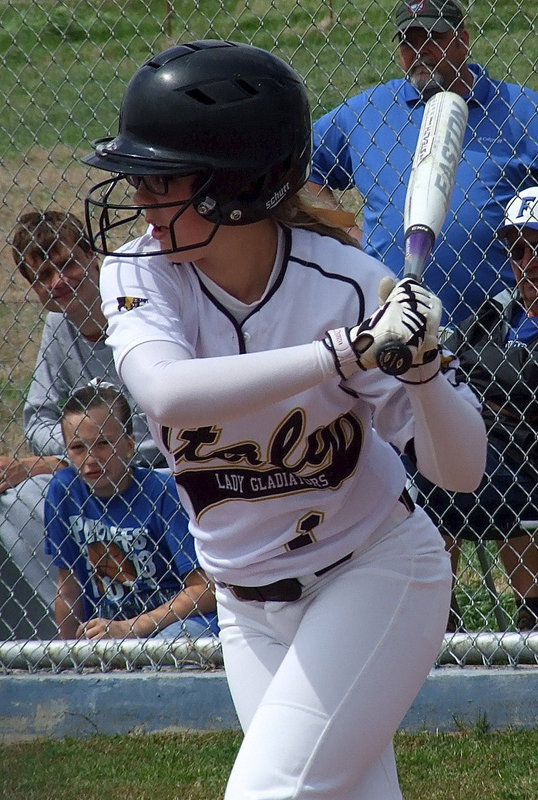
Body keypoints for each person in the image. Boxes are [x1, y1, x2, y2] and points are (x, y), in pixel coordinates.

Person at [82, 40, 486, 800]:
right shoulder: (139, 272)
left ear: (235, 186)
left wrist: (426, 374)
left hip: (374, 575)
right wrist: (345, 355)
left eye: (160, 179)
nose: (138, 201)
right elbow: (168, 393)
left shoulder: (351, 285)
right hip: (245, 607)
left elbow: (460, 472)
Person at [309, 0, 538, 325]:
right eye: (408, 42)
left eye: (432, 37)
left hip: (500, 330)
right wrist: (347, 236)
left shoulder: (521, 111)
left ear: (463, 40)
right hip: (392, 322)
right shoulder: (368, 113)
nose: (419, 51)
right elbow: (303, 168)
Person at [0, 211, 165, 635]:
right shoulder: (60, 325)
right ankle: (70, 630)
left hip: (158, 468)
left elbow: (154, 434)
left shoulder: (134, 305)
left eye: (67, 264)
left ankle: (159, 615)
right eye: (42, 277)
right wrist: (83, 449)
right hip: (93, 473)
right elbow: (37, 418)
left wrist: (76, 453)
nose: (57, 282)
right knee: (13, 498)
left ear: (92, 258)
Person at [415, 186, 538, 632]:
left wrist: (479, 377)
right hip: (490, 449)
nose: (527, 262)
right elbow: (448, 356)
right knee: (426, 459)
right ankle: (438, 621)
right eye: (518, 250)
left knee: (453, 467)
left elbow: (524, 379)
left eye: (537, 246)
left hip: (526, 460)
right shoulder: (501, 310)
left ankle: (532, 616)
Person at [44, 383, 218, 640]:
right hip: (107, 629)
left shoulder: (162, 492)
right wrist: (66, 655)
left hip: (178, 624)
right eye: (78, 448)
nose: (91, 458)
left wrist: (129, 628)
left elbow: (204, 590)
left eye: (103, 443)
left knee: (172, 642)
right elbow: (69, 588)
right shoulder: (64, 491)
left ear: (129, 444)